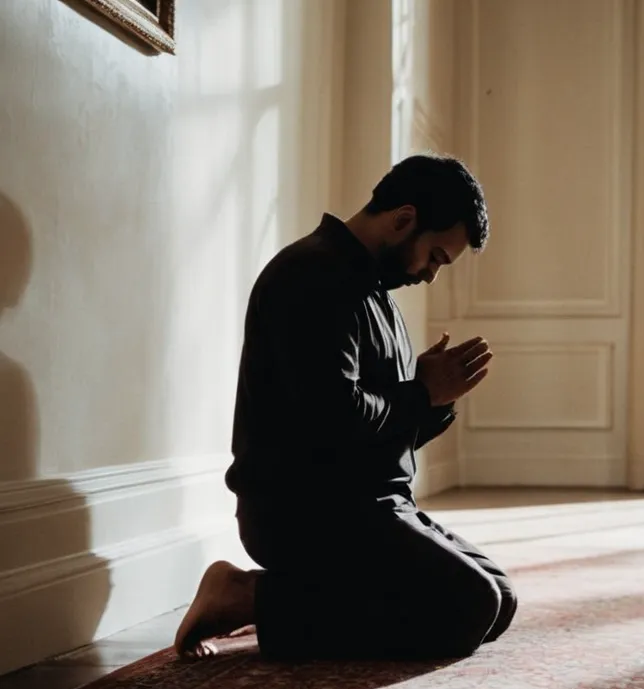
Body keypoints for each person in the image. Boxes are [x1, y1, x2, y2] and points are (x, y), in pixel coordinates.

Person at [173, 154, 517, 661]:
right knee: (468, 606)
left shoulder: (375, 292)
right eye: (436, 258)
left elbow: (380, 431)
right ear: (404, 219)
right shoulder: (311, 277)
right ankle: (248, 596)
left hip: (370, 503)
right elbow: (332, 423)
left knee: (499, 600)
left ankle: (285, 601)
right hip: (305, 511)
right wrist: (421, 393)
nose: (430, 276)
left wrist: (432, 399)